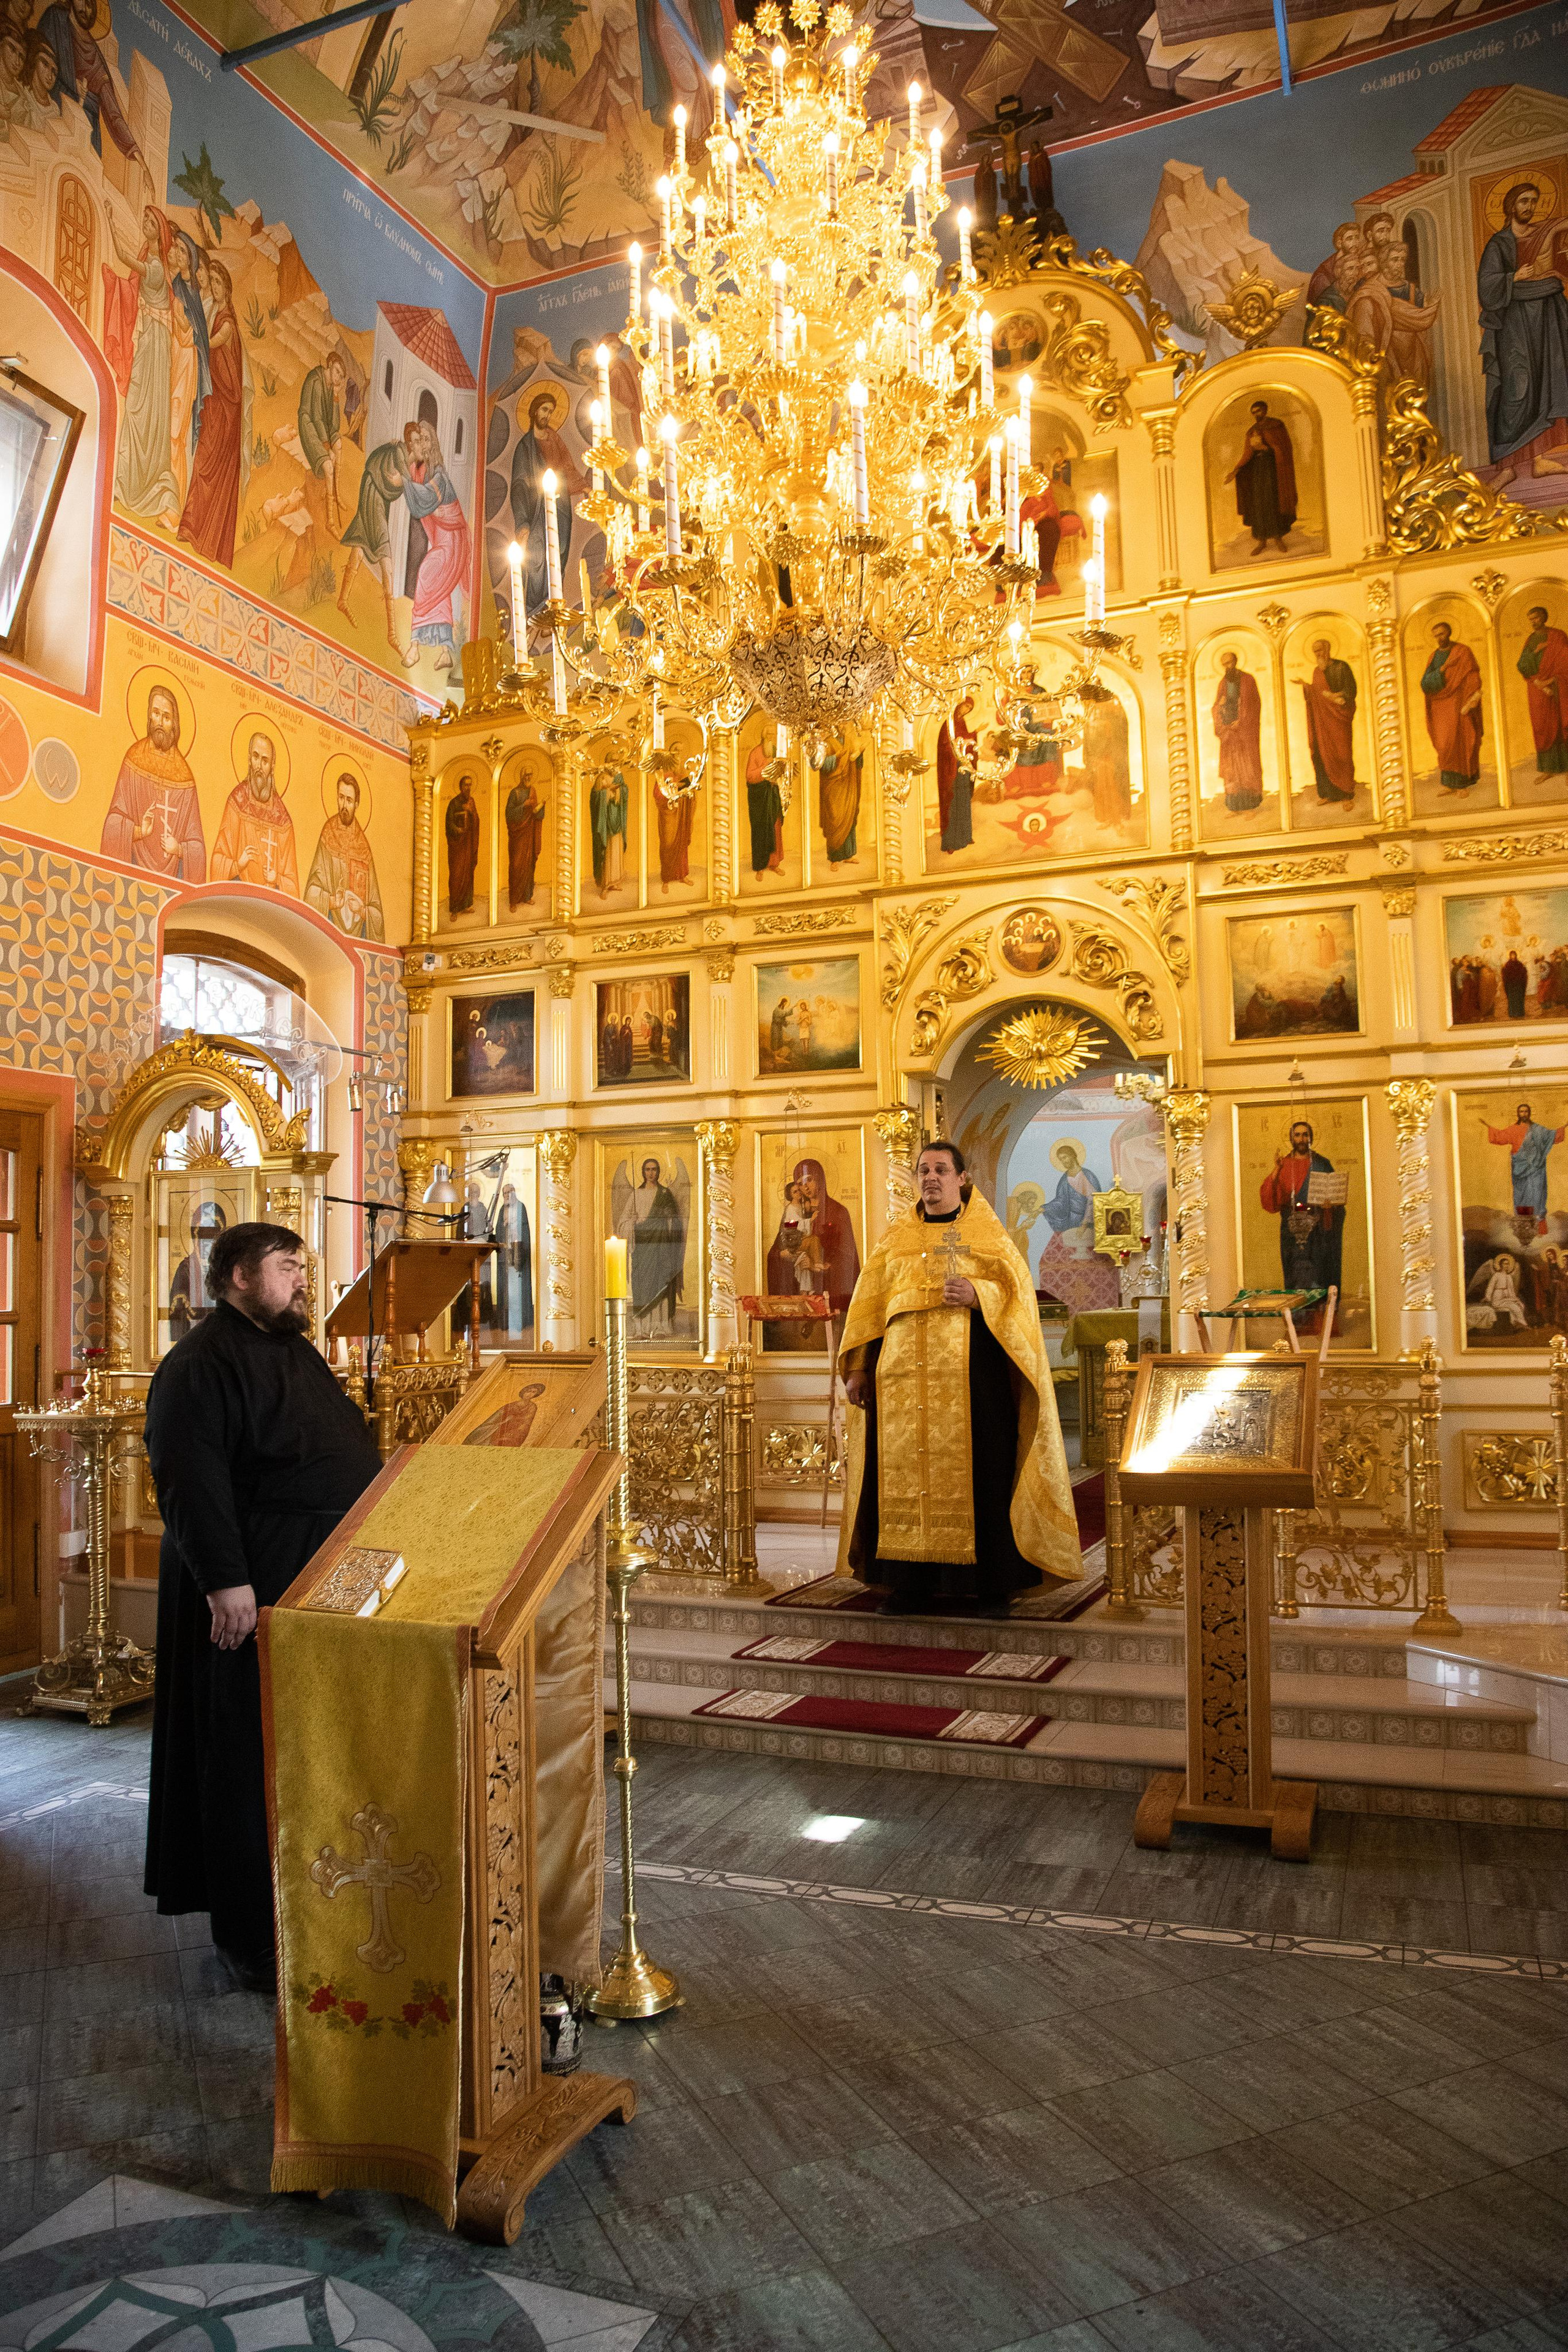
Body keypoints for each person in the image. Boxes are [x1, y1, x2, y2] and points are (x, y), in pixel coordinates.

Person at [143, 1222, 382, 1994]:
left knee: (307, 1752)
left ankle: (313, 1907)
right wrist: (226, 1583)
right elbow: (190, 1480)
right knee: (249, 1755)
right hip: (250, 1585)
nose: (303, 1280)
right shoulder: (197, 1364)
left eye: (303, 1266)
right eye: (289, 1267)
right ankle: (250, 1936)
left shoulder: (291, 1348)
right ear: (240, 1276)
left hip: (317, 1573)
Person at [838, 1141, 1080, 1616]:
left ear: (962, 1179)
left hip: (974, 1378)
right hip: (900, 1381)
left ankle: (992, 1586)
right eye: (923, 1170)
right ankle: (909, 1584)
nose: (930, 1178)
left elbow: (1018, 1302)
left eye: (941, 1170)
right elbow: (867, 1307)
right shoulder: (895, 1239)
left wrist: (978, 1293)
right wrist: (859, 1368)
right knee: (900, 1476)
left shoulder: (989, 1237)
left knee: (984, 1472)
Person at [1477, 182, 1568, 488]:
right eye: (1524, 201)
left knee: (1545, 384)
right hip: (1514, 326)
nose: (1530, 207)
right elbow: (1487, 288)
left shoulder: (1543, 236)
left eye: (1534, 201)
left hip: (1544, 320)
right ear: (1511, 206)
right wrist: (1514, 277)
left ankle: (1540, 460)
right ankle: (1507, 466)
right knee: (1516, 389)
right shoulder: (1499, 243)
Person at [176, 258, 244, 568]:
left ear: (227, 288)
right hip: (214, 399)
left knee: (207, 464)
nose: (214, 287)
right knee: (202, 462)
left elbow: (211, 342)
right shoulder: (216, 311)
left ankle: (201, 531)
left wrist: (187, 334)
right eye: (212, 281)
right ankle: (193, 527)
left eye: (219, 283)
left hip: (224, 407)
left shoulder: (228, 321)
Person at [101, 684, 205, 879]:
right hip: (133, 872)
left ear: (174, 724)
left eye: (166, 717)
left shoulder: (185, 776)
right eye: (156, 713)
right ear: (149, 715)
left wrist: (180, 850)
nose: (160, 722)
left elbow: (197, 844)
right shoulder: (134, 759)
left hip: (173, 878)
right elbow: (112, 823)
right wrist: (140, 831)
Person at [765, 1156, 859, 1351]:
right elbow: (779, 1248)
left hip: (830, 1303)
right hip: (801, 1296)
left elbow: (848, 1259)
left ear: (820, 1179)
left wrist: (822, 1266)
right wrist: (788, 1257)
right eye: (800, 1184)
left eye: (809, 1180)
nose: (805, 1187)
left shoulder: (838, 1212)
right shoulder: (796, 1212)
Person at [400, 420, 470, 673]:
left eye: (427, 440)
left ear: (435, 443)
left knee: (427, 575)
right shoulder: (424, 472)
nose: (424, 445)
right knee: (438, 590)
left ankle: (415, 646)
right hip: (443, 541)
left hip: (452, 543)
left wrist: (404, 483)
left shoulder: (439, 476)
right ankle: (444, 651)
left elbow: (424, 500)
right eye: (420, 441)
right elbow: (414, 479)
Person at [36, 0, 142, 159]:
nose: (87, 9)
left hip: (88, 132)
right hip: (51, 114)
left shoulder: (96, 56)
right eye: (82, 1)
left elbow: (113, 113)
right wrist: (72, 88)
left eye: (91, 4)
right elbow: (38, 59)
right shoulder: (55, 19)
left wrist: (140, 160)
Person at [1259, 1119, 1343, 1302]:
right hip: (1292, 1227)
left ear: (1311, 1137)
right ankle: (1297, 1315)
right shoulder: (1284, 1164)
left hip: (1317, 1229)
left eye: (1305, 1135)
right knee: (1295, 1269)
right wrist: (1276, 1169)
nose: (1302, 1139)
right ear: (1292, 1138)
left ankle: (1321, 1313)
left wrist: (1330, 1208)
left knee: (1319, 1269)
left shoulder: (1322, 1163)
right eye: (1297, 1135)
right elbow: (1269, 1198)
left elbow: (1335, 1197)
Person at [337, 440, 408, 648]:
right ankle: (392, 633)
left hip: (371, 495)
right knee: (386, 560)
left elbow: (393, 480)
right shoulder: (398, 451)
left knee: (359, 545)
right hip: (373, 500)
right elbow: (395, 481)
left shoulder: (394, 452)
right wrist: (407, 481)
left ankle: (343, 599)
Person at [212, 731, 298, 893]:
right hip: (237, 895)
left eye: (265, 761)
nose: (258, 766)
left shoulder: (283, 820)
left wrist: (277, 879)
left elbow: (292, 884)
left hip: (270, 904)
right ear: (249, 760)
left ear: (272, 766)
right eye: (255, 757)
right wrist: (238, 865)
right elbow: (218, 859)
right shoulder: (237, 802)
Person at [305, 772, 384, 939]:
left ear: (356, 804)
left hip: (359, 934)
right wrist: (332, 901)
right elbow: (311, 892)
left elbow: (376, 908)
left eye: (349, 800)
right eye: (341, 798)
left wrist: (362, 911)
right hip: (330, 926)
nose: (344, 805)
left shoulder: (364, 847)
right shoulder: (328, 834)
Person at [618, 1156, 686, 1339]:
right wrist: (631, 1222)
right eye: (648, 1170)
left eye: (654, 1169)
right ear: (643, 1172)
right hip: (642, 1249)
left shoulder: (665, 1194)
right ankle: (641, 1329)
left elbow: (675, 1222)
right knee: (641, 1284)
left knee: (661, 1282)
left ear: (658, 1171)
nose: (651, 1173)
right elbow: (622, 1223)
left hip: (661, 1248)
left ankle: (660, 1327)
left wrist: (667, 1219)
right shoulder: (635, 1195)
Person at [1224, 399, 1297, 556]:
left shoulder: (1276, 425)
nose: (1256, 415)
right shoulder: (1252, 431)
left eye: (1258, 411)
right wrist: (1236, 471)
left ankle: (1278, 538)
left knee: (1273, 501)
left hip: (1274, 470)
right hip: (1258, 471)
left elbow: (1284, 448)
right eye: (1254, 413)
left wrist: (1266, 448)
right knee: (1259, 504)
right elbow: (1247, 454)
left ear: (1265, 409)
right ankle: (1262, 540)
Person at [1483, 1102, 1567, 1235]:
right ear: (1518, 1114)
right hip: (1520, 1170)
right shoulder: (1513, 1129)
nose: (1524, 1114)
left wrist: (1563, 1128)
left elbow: (1551, 1135)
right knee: (1522, 1196)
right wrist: (1490, 1128)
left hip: (1537, 1168)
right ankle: (1523, 1229)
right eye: (1521, 1112)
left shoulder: (1538, 1130)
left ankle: (1540, 1229)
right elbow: (1500, 1137)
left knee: (1538, 1194)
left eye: (1526, 1111)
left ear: (1529, 1113)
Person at [1421, 621, 1485, 793]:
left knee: (1460, 742)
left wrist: (1471, 699)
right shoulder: (1434, 657)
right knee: (1444, 744)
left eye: (1441, 634)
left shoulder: (1462, 652)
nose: (1439, 638)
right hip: (1440, 707)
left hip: (1459, 703)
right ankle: (1449, 784)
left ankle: (1462, 784)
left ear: (1449, 633)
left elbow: (1472, 674)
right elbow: (1425, 684)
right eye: (1436, 636)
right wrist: (1442, 669)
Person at [1302, 638, 1359, 804]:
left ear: (1327, 650)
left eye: (1320, 650)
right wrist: (1307, 688)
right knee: (1321, 754)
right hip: (1322, 722)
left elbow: (1351, 690)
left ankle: (1347, 793)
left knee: (1343, 754)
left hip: (1339, 719)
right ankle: (1329, 793)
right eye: (1315, 652)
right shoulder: (1316, 672)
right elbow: (1316, 694)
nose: (1317, 654)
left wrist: (1336, 697)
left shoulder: (1341, 667)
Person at [297, 353, 349, 534]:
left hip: (323, 427)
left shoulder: (329, 387)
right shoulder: (317, 381)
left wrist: (335, 397)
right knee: (328, 466)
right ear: (330, 365)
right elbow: (317, 418)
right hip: (309, 425)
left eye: (341, 376)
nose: (338, 378)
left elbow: (334, 425)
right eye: (337, 372)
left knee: (340, 446)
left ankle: (336, 493)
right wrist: (327, 447)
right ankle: (331, 521)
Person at [1518, 605, 1568, 777]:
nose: (1533, 622)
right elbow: (1522, 665)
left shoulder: (1558, 636)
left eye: (1536, 618)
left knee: (1563, 724)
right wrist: (1536, 652)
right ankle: (1549, 770)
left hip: (1559, 686)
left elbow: (1565, 662)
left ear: (1545, 618)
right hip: (1537, 687)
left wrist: (1552, 680)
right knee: (1542, 726)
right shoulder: (1531, 639)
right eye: (1531, 619)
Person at [1212, 650, 1264, 812]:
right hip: (1229, 732)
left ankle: (1251, 806)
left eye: (1229, 663)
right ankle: (1234, 807)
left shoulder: (1248, 680)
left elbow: (1254, 705)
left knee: (1247, 766)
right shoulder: (1223, 683)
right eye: (1224, 665)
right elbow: (1216, 706)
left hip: (1244, 732)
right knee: (1232, 769)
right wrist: (1220, 712)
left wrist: (1241, 722)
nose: (1227, 667)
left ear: (1235, 662)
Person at [167, 1202, 226, 1342]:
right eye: (203, 1237)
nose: (207, 1244)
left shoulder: (226, 1268)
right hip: (192, 1337)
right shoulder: (186, 1268)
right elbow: (177, 1313)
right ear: (195, 1239)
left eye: (212, 1237)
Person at [813, 736, 862, 865]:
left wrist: (860, 754)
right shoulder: (827, 743)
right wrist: (836, 757)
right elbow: (821, 764)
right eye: (839, 723)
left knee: (849, 817)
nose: (842, 727)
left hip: (848, 785)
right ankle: (834, 858)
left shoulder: (849, 741)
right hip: (833, 786)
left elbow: (856, 761)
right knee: (834, 820)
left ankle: (849, 855)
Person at [936, 696, 976, 853]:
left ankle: (965, 836)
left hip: (963, 768)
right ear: (959, 705)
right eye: (965, 706)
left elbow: (966, 742)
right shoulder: (948, 724)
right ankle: (951, 842)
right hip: (951, 771)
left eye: (969, 709)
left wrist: (973, 736)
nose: (966, 710)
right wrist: (963, 741)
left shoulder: (961, 723)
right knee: (952, 804)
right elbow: (946, 746)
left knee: (964, 801)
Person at [505, 769, 546, 910]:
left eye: (531, 775)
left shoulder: (533, 791)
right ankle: (514, 900)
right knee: (516, 866)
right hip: (518, 836)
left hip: (530, 834)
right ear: (521, 776)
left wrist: (541, 807)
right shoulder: (515, 793)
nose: (529, 778)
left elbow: (536, 814)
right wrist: (524, 805)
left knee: (529, 865)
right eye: (526, 775)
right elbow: (509, 814)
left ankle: (527, 896)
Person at [745, 739, 784, 878]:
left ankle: (774, 864)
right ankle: (760, 866)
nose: (771, 738)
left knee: (775, 828)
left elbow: (781, 771)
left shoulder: (775, 752)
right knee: (761, 830)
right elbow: (749, 777)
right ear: (762, 737)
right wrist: (765, 769)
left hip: (773, 796)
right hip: (760, 800)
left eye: (773, 734)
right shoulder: (755, 753)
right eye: (768, 735)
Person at [590, 764, 629, 895]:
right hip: (605, 822)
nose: (615, 765)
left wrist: (618, 791)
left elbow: (624, 793)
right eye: (612, 762)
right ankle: (606, 883)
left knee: (616, 850)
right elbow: (595, 797)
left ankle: (615, 882)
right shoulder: (601, 777)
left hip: (617, 820)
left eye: (617, 762)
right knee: (607, 852)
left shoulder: (619, 777)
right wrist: (606, 793)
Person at [445, 774, 481, 916]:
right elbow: (448, 823)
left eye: (470, 785)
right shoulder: (453, 803)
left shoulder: (472, 802)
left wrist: (472, 812)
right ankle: (454, 908)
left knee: (468, 874)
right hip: (457, 846)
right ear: (460, 787)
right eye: (466, 785)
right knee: (456, 874)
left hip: (468, 844)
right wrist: (457, 829)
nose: (468, 788)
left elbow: (477, 822)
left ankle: (467, 905)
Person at [652, 774, 694, 889]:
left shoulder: (679, 775)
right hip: (668, 817)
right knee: (668, 845)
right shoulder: (661, 777)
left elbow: (689, 791)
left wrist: (682, 787)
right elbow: (658, 796)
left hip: (680, 813)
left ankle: (682, 875)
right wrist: (672, 790)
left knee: (681, 843)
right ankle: (666, 879)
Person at [1502, 948, 1529, 1020]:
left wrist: (1524, 968)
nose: (1513, 956)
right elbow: (1505, 974)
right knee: (1512, 999)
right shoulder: (1508, 964)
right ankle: (1513, 1013)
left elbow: (1523, 972)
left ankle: (1520, 1013)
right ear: (1510, 956)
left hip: (1518, 985)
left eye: (1514, 955)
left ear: (1516, 955)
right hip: (1511, 986)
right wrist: (1503, 969)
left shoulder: (1519, 963)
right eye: (1512, 955)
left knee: (1519, 999)